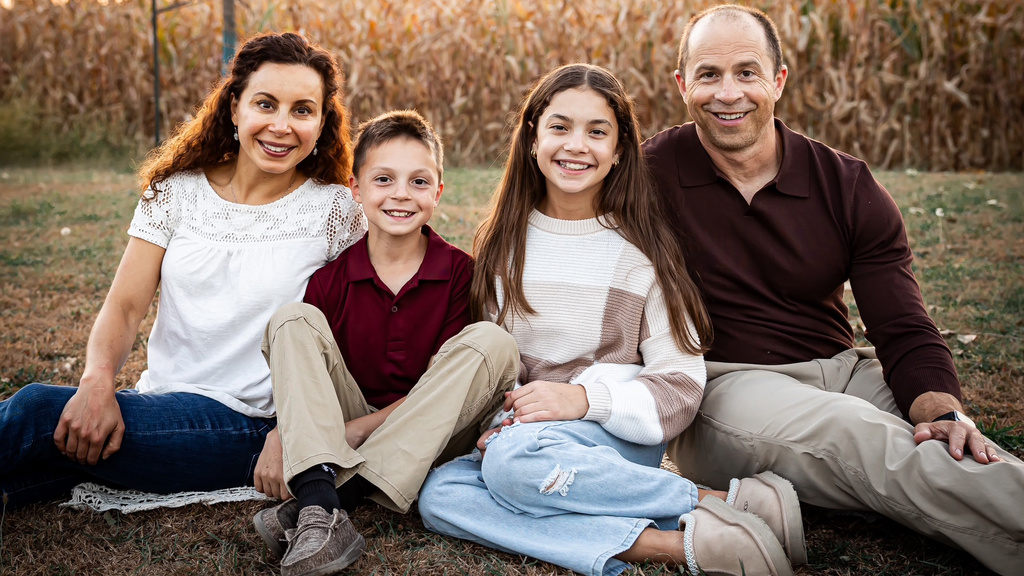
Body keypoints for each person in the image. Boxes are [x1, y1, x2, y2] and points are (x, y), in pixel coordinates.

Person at [644, 5, 1024, 575]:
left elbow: (901, 325)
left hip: (842, 368)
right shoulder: (646, 178)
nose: (728, 93)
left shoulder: (845, 183)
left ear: (778, 80)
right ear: (682, 86)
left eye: (747, 72)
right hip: (723, 387)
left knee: (950, 441)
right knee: (857, 435)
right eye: (708, 75)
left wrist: (942, 410)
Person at [417, 63, 806, 576]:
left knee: (512, 468)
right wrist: (501, 423)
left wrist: (584, 400)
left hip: (609, 439)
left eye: (597, 132)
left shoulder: (643, 252)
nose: (576, 145)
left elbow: (681, 384)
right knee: (439, 495)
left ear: (620, 150)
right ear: (532, 138)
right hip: (523, 436)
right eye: (559, 127)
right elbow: (501, 367)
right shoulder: (502, 244)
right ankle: (678, 543)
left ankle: (712, 498)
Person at [0, 32, 365, 510]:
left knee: (37, 412)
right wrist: (96, 381)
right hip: (159, 405)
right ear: (235, 108)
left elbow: (355, 340)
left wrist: (297, 432)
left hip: (253, 426)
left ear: (321, 123)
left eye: (302, 110)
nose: (282, 125)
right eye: (266, 104)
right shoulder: (177, 192)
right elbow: (126, 307)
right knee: (50, 457)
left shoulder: (336, 210)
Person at [251, 110, 520, 576]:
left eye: (418, 182)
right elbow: (311, 385)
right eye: (383, 179)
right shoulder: (331, 280)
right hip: (347, 417)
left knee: (491, 342)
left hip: (431, 432)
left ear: (437, 191)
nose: (400, 194)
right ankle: (324, 507)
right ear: (356, 189)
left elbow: (441, 395)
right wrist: (284, 428)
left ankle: (323, 502)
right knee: (291, 319)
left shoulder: (460, 273)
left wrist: (353, 433)